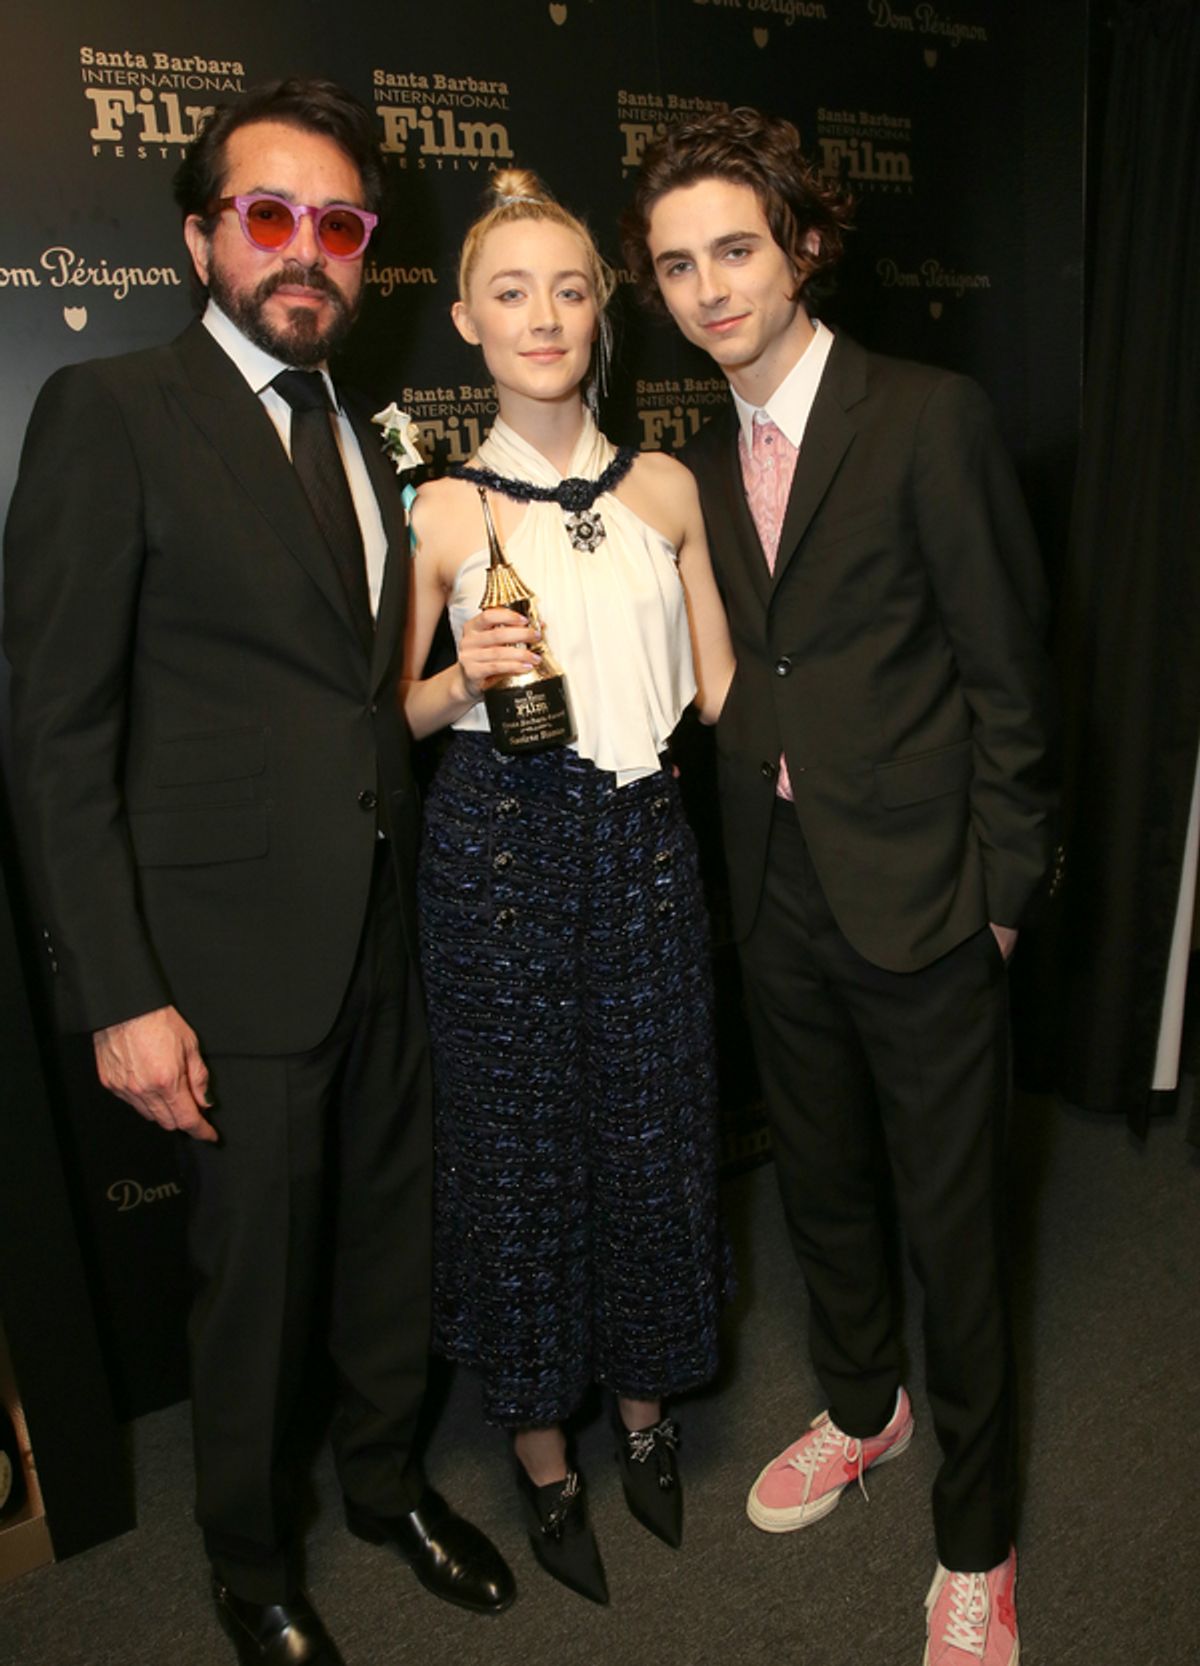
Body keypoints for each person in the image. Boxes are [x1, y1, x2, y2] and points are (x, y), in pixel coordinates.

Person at [3, 78, 513, 1666]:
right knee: (252, 1289)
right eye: (269, 215)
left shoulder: (366, 438)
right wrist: (122, 991)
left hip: (382, 931)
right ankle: (247, 1553)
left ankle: (382, 1485)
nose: (308, 251)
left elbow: (356, 699)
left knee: (386, 1244)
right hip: (219, 960)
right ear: (200, 238)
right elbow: (56, 733)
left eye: (339, 225)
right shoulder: (110, 412)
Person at [622, 108, 1056, 1666]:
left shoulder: (926, 417)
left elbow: (1011, 681)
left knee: (960, 1233)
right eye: (676, 265)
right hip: (780, 888)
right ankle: (864, 1410)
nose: (709, 288)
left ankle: (976, 1540)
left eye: (734, 249)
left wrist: (1000, 895)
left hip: (931, 897)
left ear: (802, 243)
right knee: (821, 1190)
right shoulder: (691, 460)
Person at [402, 168, 734, 1605]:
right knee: (520, 1158)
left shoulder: (667, 487)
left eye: (574, 288)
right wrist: (447, 682)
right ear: (471, 321)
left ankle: (648, 1422)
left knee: (657, 1136)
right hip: (495, 854)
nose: (546, 316)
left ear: (606, 317)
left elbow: (728, 690)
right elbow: (377, 722)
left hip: (647, 840)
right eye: (514, 291)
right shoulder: (435, 511)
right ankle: (545, 1459)